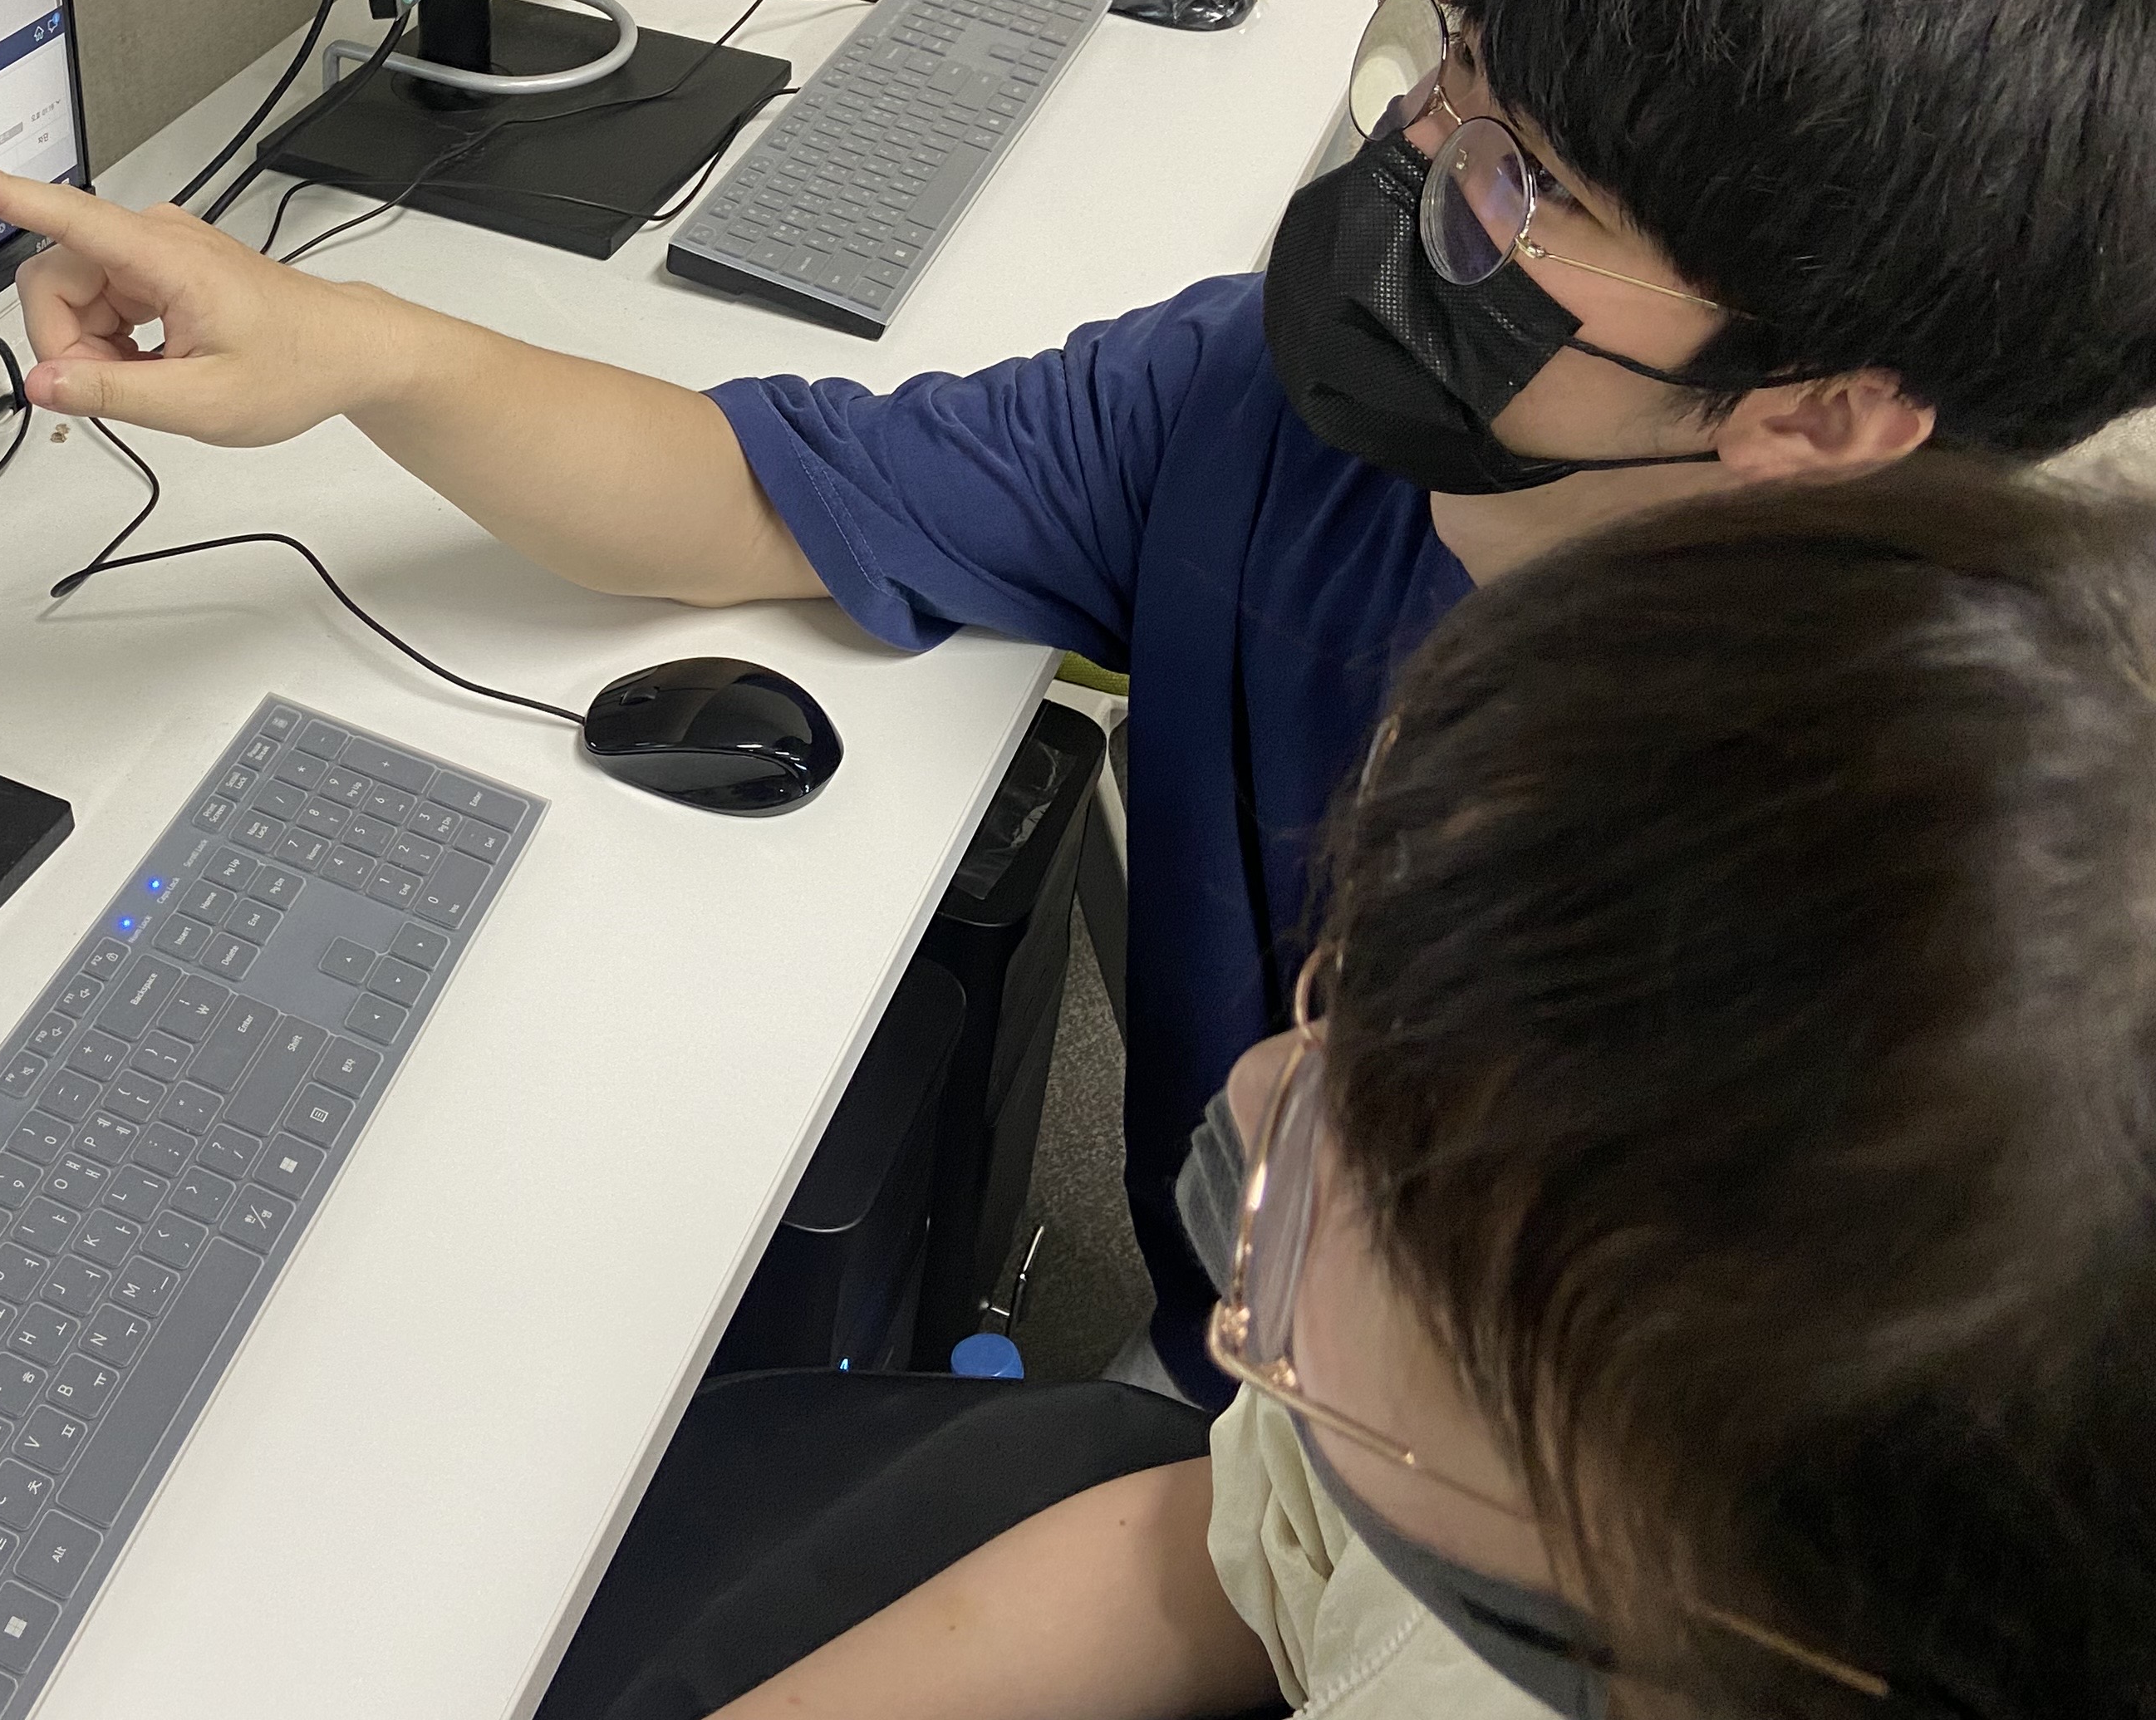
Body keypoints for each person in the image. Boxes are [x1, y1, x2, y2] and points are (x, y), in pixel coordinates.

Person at [0, 0, 2156, 1388]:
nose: (1417, 169)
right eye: (1455, 76)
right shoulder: (1282, 419)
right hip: (1252, 1422)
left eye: (1528, 189)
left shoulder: (1914, 932)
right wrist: (351, 349)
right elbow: (759, 489)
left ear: (1820, 414)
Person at [570, 461, 2156, 1719]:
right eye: (1353, 996)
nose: (1261, 1086)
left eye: (1406, 1180)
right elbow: (1261, 1556)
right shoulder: (1540, 1481)